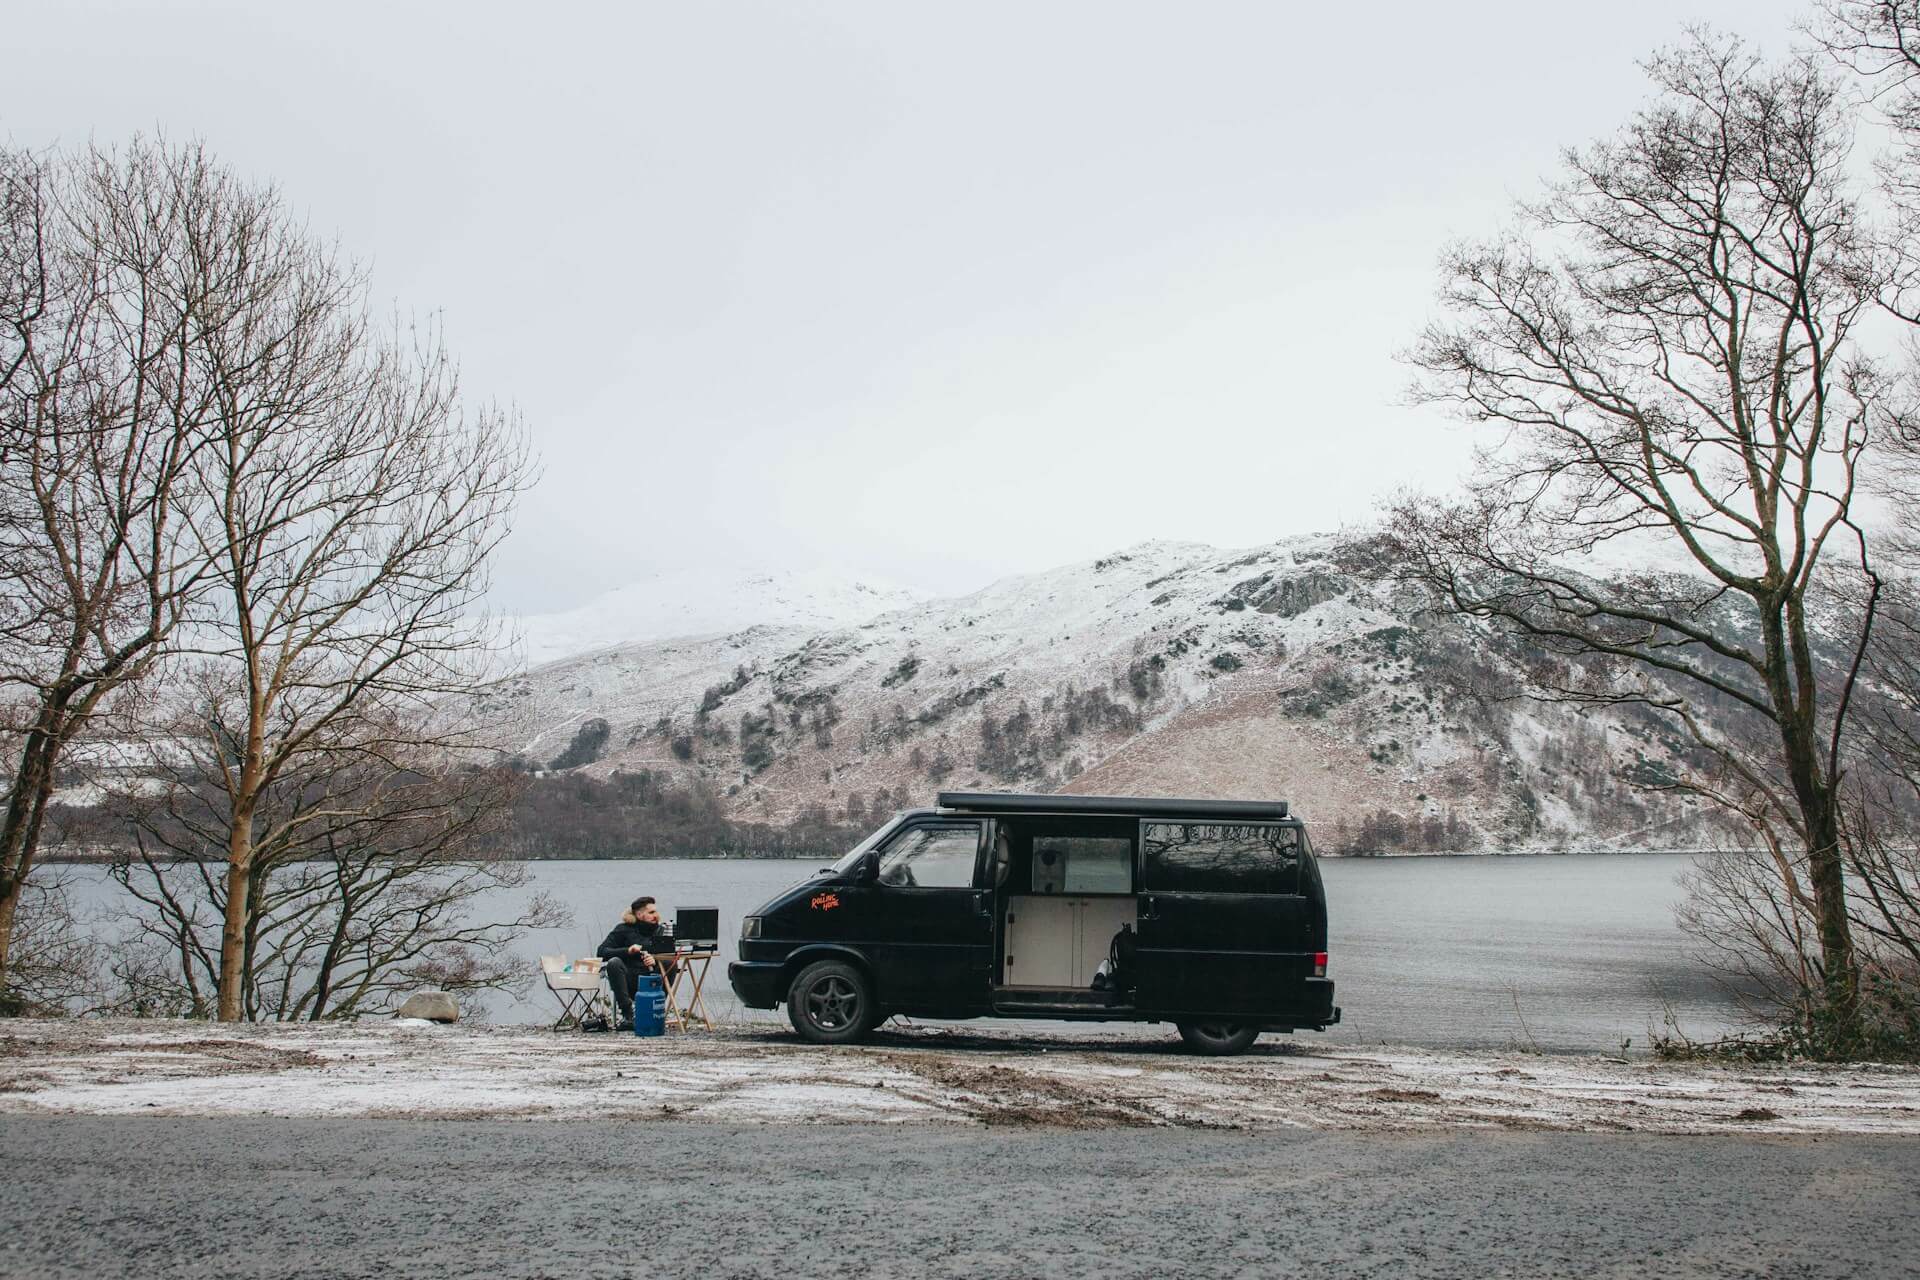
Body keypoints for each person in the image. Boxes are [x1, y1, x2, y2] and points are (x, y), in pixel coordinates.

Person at [598, 896, 680, 1029]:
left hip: (652, 979)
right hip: (628, 980)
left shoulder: (662, 930)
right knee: (614, 963)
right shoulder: (623, 929)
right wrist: (628, 951)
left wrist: (655, 959)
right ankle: (628, 1016)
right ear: (639, 914)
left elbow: (671, 954)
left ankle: (654, 1010)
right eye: (651, 913)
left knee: (670, 962)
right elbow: (601, 951)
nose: (656, 916)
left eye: (656, 912)